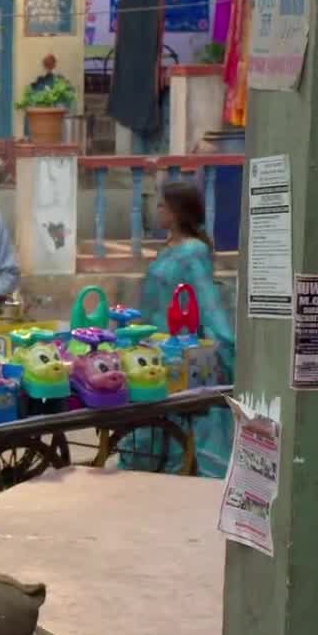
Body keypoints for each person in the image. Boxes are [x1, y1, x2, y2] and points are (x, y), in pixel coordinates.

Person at [119, 181, 234, 478]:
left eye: (162, 205)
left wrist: (222, 342)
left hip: (179, 346)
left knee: (177, 411)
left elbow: (206, 300)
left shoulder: (193, 251)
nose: (158, 210)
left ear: (177, 211)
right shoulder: (168, 248)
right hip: (153, 342)